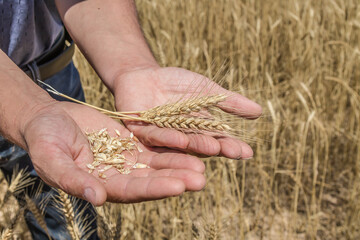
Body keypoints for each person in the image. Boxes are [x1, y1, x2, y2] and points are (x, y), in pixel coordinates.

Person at [0, 0, 262, 239]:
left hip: (52, 73)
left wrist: (131, 66)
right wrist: (27, 109)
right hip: (44, 102)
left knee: (70, 227)